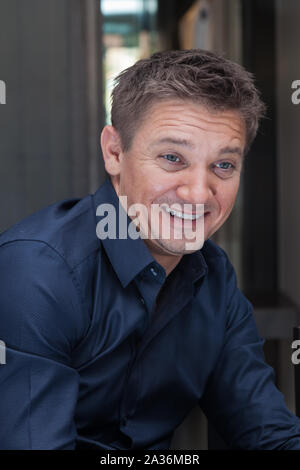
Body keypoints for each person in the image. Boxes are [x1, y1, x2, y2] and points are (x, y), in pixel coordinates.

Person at [1, 49, 300, 450]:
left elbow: (269, 435)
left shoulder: (213, 277)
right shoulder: (38, 272)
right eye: (172, 158)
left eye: (223, 166)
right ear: (114, 152)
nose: (198, 193)